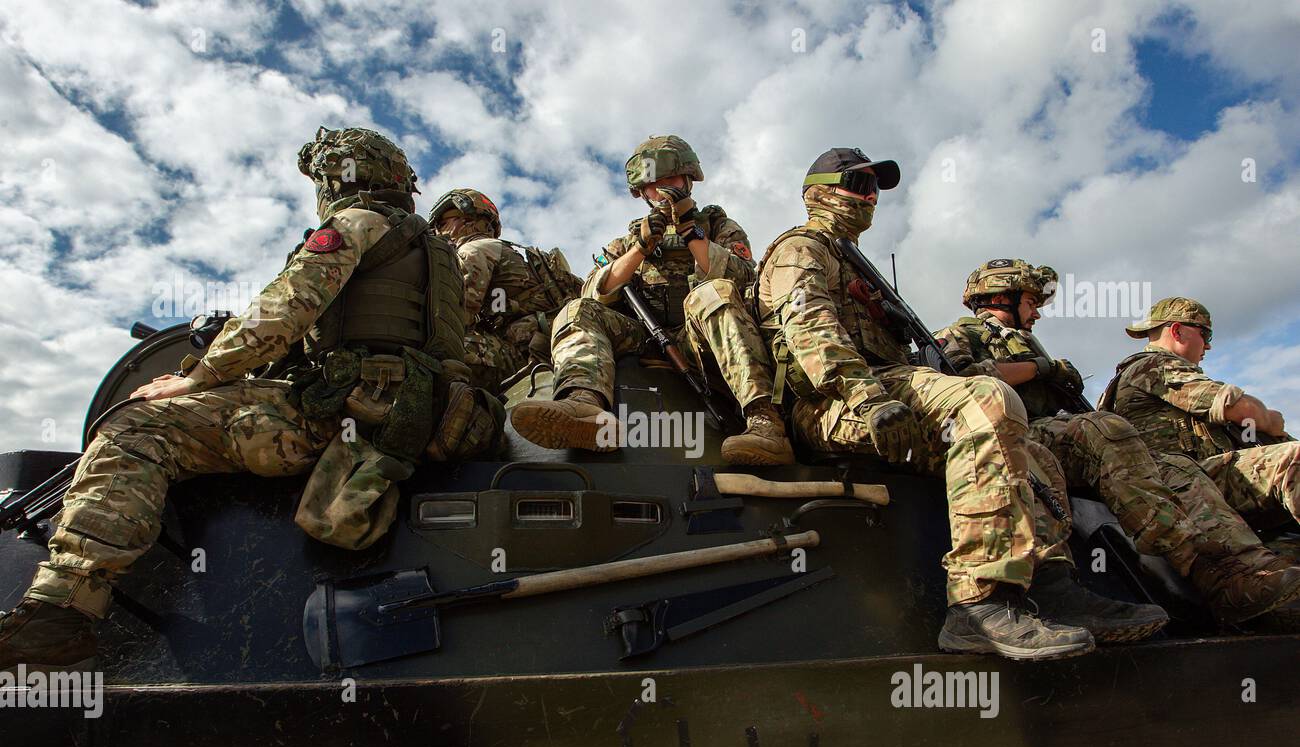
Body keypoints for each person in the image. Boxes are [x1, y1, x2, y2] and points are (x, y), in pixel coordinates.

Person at [0, 127, 497, 672]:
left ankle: (61, 613)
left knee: (140, 425)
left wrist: (199, 376)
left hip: (343, 416)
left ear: (339, 177)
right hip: (416, 416)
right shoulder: (440, 255)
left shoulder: (356, 224)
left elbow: (284, 309)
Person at [755, 147, 1170, 660]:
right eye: (855, 184)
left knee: (1033, 450)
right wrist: (865, 396)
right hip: (834, 404)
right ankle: (979, 605)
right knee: (988, 399)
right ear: (817, 189)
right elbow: (808, 326)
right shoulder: (802, 248)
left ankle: (1053, 588)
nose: (867, 197)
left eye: (874, 189)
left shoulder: (854, 262)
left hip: (888, 393)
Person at [936, 263, 1300, 625]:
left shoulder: (1021, 340)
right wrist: (1041, 368)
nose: (1036, 313)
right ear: (1001, 297)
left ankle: (1228, 569)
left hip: (1050, 432)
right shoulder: (961, 333)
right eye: (1031, 302)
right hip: (1008, 431)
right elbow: (964, 381)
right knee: (1109, 431)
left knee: (1115, 434)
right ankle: (1203, 565)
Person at [509, 134, 794, 465]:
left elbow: (744, 278)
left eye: (669, 179)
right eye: (652, 184)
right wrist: (640, 248)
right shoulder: (630, 238)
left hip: (700, 340)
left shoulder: (717, 226)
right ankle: (584, 404)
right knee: (577, 310)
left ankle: (764, 422)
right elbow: (594, 292)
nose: (662, 189)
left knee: (712, 293)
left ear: (688, 178)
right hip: (643, 337)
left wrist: (690, 232)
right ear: (642, 192)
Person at [1102, 296, 1300, 537]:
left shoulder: (1147, 372)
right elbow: (1240, 409)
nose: (1208, 346)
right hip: (1185, 485)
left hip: (1186, 486)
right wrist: (1271, 419)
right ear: (1177, 331)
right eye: (1206, 335)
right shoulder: (1155, 365)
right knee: (1294, 459)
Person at [430, 188, 581, 394]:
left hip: (518, 355)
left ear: (466, 220)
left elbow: (457, 315)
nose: (438, 232)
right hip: (539, 348)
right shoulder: (506, 250)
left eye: (442, 223)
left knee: (434, 346)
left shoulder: (474, 250)